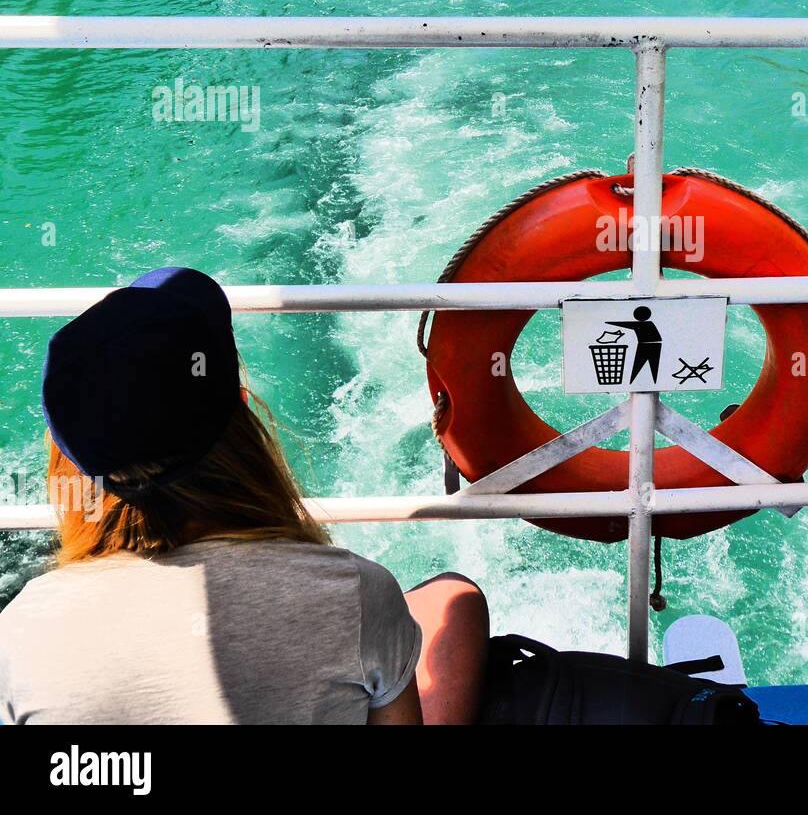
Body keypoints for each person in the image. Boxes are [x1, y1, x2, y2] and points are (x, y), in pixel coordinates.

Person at [0, 267, 489, 725]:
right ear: (242, 412)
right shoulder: (359, 595)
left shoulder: (21, 630)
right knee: (453, 598)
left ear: (68, 454)